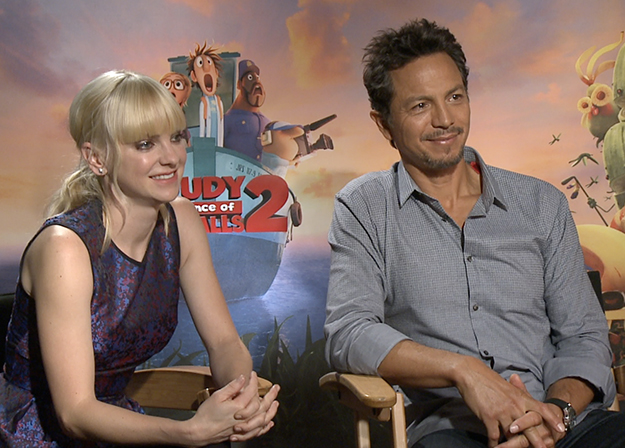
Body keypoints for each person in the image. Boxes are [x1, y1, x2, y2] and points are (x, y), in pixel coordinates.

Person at [324, 18, 625, 448]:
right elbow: (349, 332)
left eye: (455, 97)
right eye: (420, 106)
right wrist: (464, 371)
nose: (445, 120)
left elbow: (583, 337)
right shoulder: (364, 208)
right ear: (383, 123)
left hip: (563, 425)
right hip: (452, 431)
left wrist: (553, 416)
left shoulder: (542, 204)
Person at [0, 70, 279, 447]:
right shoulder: (65, 248)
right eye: (146, 144)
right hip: (33, 433)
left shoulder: (182, 219)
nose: (171, 157)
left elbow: (225, 343)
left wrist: (240, 397)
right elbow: (74, 414)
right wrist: (188, 432)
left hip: (120, 423)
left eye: (177, 137)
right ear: (97, 158)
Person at [224, 59, 270, 161]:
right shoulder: (227, 120)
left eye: (257, 78)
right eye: (250, 78)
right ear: (239, 84)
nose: (256, 82)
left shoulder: (267, 123)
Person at [188, 42, 224, 144]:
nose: (206, 67)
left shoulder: (219, 102)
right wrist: (203, 143)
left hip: (218, 142)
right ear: (194, 77)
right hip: (207, 143)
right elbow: (202, 126)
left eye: (208, 62)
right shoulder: (204, 103)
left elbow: (221, 123)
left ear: (216, 73)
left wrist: (221, 144)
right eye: (201, 63)